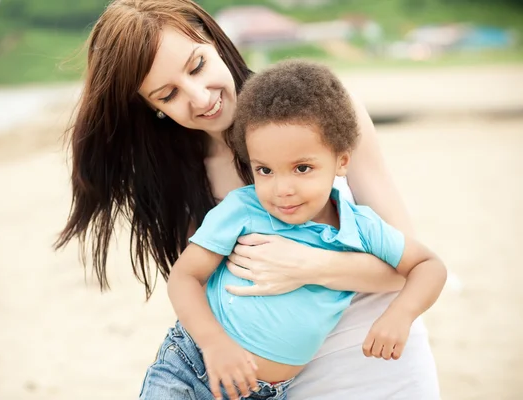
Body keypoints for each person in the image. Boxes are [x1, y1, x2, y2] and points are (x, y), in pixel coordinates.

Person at [56, 0, 443, 398]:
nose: (200, 97)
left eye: (197, 66)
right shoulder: (178, 179)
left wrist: (309, 266)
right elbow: (199, 288)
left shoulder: (323, 114)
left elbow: (404, 267)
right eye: (169, 94)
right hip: (272, 380)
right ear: (152, 107)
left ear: (216, 42)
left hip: (380, 348)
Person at [139, 59, 447, 400]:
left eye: (302, 168)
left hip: (272, 392)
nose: (282, 188)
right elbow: (184, 277)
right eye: (265, 170)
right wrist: (214, 345)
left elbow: (429, 266)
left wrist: (401, 314)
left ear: (342, 161)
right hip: (197, 368)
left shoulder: (361, 228)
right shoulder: (243, 208)